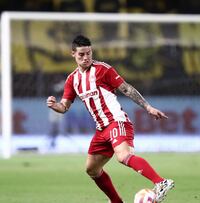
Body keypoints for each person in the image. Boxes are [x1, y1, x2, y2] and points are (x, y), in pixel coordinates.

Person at [46, 35, 174, 203]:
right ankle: (116, 201)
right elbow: (64, 106)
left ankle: (161, 182)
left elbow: (126, 89)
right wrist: (55, 106)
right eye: (81, 55)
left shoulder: (103, 69)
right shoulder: (72, 80)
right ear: (73, 54)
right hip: (101, 129)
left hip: (116, 121)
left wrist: (148, 107)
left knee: (123, 156)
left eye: (88, 53)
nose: (86, 58)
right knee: (92, 169)